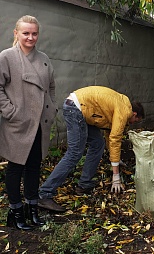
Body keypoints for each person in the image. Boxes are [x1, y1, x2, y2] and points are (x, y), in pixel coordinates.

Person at [38, 86, 145, 212]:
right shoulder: (124, 111)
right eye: (136, 120)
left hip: (81, 109)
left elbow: (109, 134)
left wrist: (115, 159)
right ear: (134, 114)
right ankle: (44, 194)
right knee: (75, 153)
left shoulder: (121, 104)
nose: (133, 123)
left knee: (98, 143)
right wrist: (116, 176)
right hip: (76, 108)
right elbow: (115, 138)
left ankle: (84, 184)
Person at [0, 15, 58, 230]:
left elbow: (51, 85)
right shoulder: (6, 57)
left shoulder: (43, 58)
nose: (30, 37)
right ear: (16, 33)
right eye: (25, 33)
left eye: (34, 33)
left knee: (34, 167)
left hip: (40, 124)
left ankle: (32, 209)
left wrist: (52, 108)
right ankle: (15, 212)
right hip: (18, 123)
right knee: (15, 168)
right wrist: (10, 111)